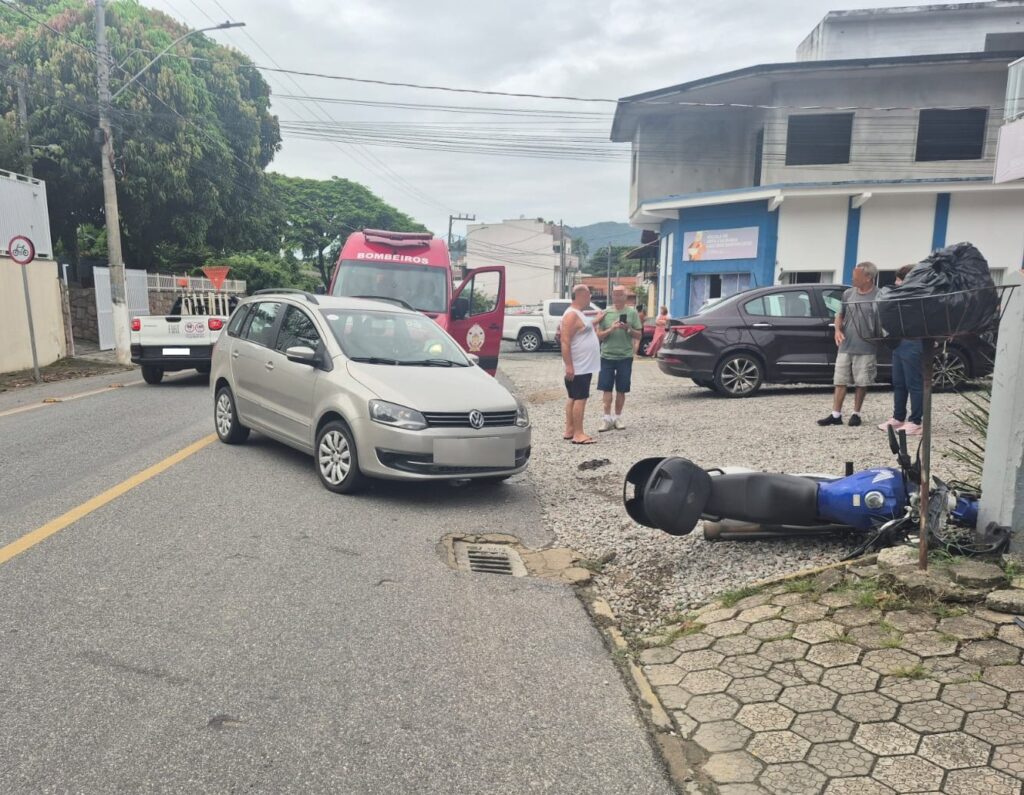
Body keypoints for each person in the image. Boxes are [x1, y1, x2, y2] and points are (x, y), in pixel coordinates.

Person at [818, 261, 879, 427]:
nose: (852, 278)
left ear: (868, 278)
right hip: (846, 345)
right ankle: (836, 414)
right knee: (840, 380)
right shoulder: (848, 294)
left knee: (862, 381)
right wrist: (837, 330)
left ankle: (856, 413)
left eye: (856, 276)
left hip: (866, 347)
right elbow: (840, 314)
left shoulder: (879, 296)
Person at [878, 264, 923, 435]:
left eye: (899, 279)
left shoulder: (918, 295)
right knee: (899, 382)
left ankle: (916, 420)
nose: (896, 282)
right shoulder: (899, 295)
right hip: (898, 340)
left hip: (913, 341)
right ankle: (898, 417)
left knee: (914, 383)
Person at [596, 285, 643, 432]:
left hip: (625, 356)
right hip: (607, 355)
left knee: (622, 389)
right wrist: (612, 328)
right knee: (606, 388)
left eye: (620, 295)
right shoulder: (605, 313)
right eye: (615, 295)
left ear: (625, 296)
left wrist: (628, 329)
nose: (617, 297)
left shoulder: (632, 312)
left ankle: (617, 417)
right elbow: (599, 336)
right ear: (612, 296)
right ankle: (606, 418)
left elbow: (639, 335)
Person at [560, 284, 602, 444]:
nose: (590, 298)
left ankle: (570, 429)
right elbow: (565, 341)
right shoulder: (571, 315)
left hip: (582, 366)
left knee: (573, 397)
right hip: (579, 366)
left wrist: (598, 318)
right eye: (588, 295)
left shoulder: (579, 314)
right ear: (581, 296)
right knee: (580, 398)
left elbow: (587, 326)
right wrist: (569, 365)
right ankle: (578, 434)